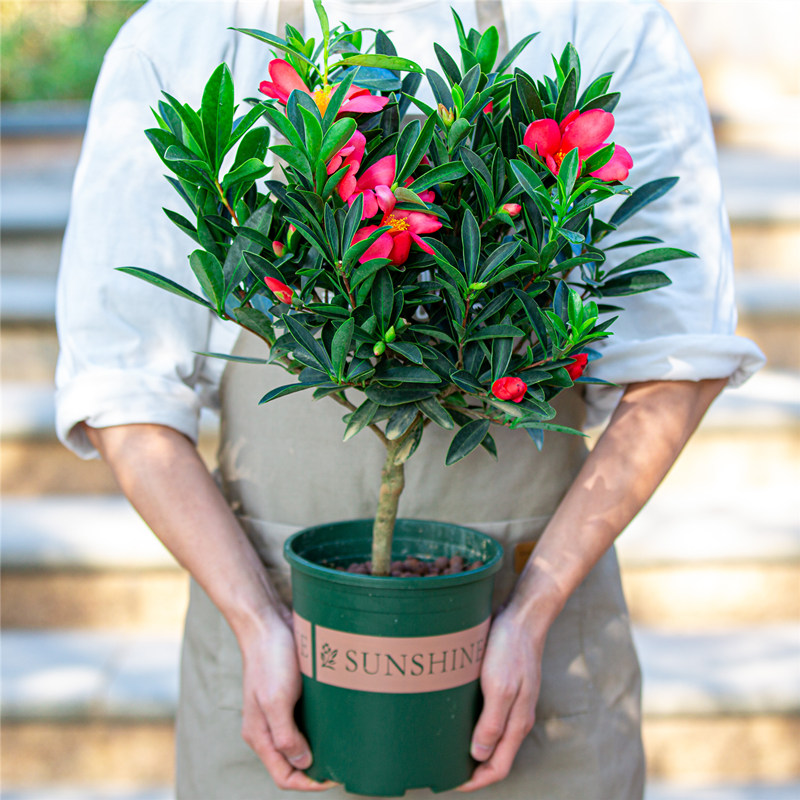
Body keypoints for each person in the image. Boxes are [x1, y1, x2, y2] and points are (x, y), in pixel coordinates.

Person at [55, 1, 765, 797]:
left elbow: (677, 361)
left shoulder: (598, 22)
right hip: (279, 662)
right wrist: (257, 622)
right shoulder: (181, 38)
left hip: (536, 656)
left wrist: (533, 611)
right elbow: (124, 390)